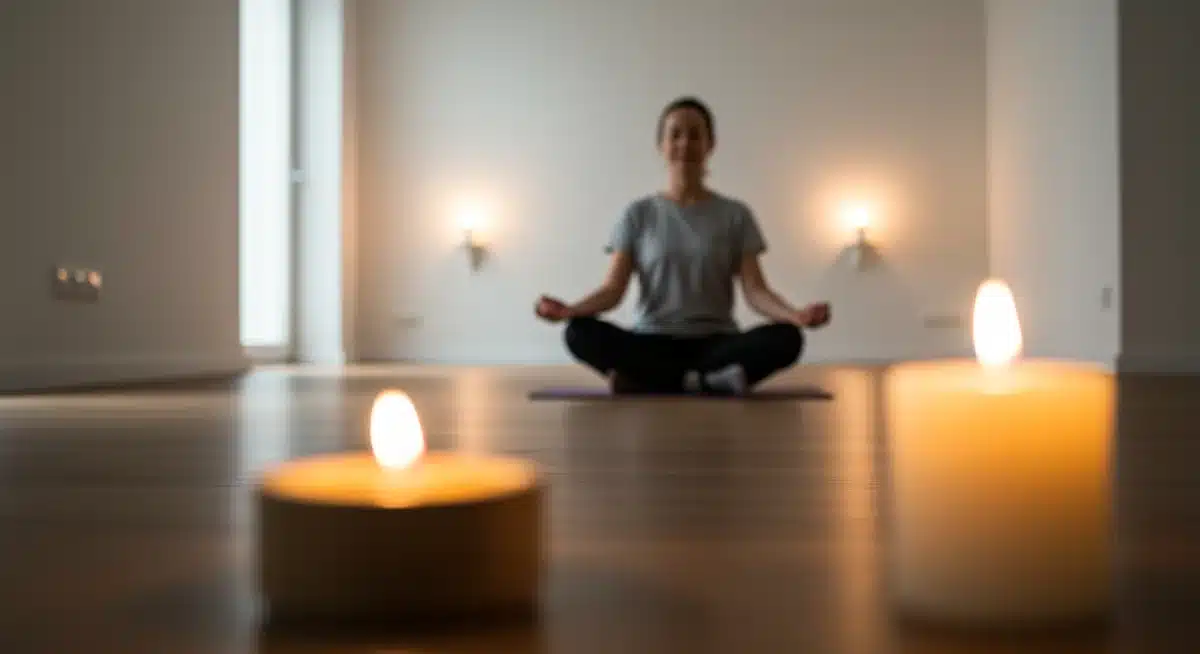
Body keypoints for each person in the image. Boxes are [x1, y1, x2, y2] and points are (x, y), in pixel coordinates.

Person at [534, 96, 831, 395]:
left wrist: (795, 315)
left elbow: (756, 290)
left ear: (710, 144)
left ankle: (655, 382)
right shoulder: (637, 214)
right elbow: (613, 290)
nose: (684, 143)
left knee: (788, 338)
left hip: (717, 344)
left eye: (694, 134)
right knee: (579, 333)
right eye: (675, 134)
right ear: (661, 145)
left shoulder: (735, 215)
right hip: (652, 343)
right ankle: (706, 382)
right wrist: (569, 311)